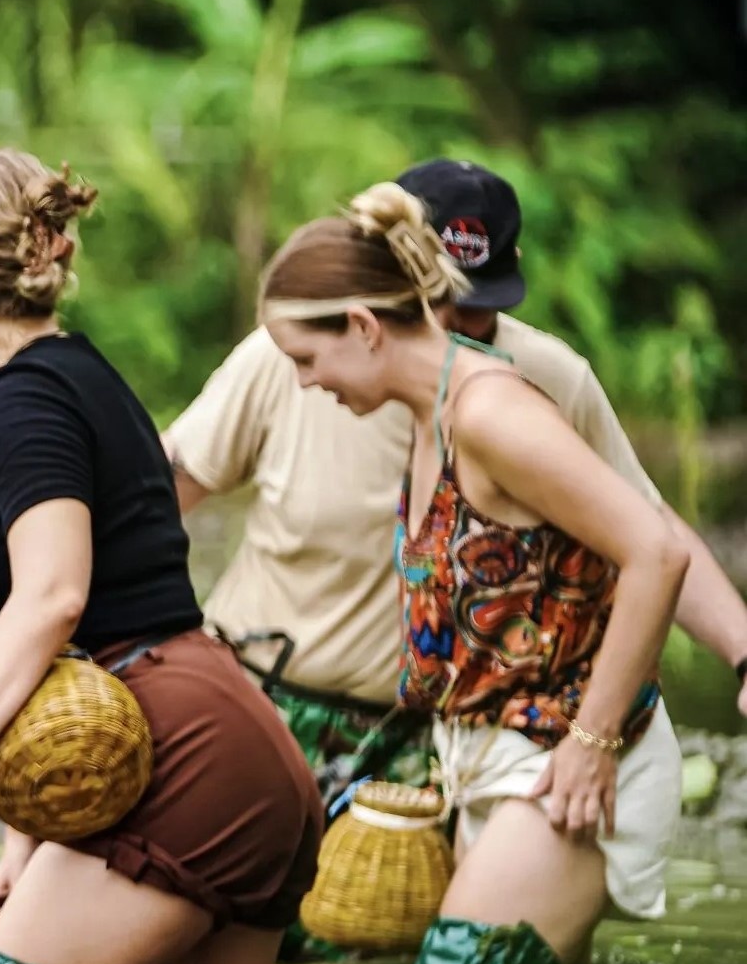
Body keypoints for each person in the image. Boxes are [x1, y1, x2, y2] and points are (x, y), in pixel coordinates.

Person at [0, 147, 322, 964]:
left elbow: (54, 597)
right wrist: (31, 836)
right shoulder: (78, 373)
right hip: (241, 751)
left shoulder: (22, 400)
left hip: (179, 759)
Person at [170, 160, 747, 796]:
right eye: (440, 300)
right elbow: (168, 491)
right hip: (267, 698)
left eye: (481, 306)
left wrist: (742, 652)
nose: (460, 326)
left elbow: (646, 527)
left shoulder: (538, 381)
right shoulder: (299, 357)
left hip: (426, 739)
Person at [258, 185, 688, 964]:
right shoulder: (432, 413)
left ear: (361, 326)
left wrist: (591, 744)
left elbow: (658, 552)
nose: (305, 382)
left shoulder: (490, 412)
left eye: (304, 359)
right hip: (490, 756)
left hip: (570, 755)